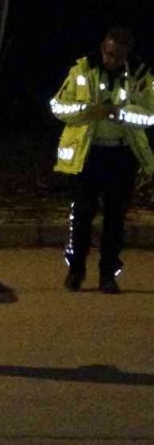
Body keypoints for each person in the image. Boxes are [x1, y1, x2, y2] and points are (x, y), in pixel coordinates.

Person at [50, 27, 154, 294]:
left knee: (115, 220)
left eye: (117, 56)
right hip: (88, 155)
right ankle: (76, 271)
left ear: (127, 54)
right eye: (107, 53)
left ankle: (108, 274)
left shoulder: (141, 77)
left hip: (121, 155)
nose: (110, 59)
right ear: (102, 47)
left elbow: (150, 116)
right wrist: (88, 111)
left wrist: (121, 115)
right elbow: (58, 107)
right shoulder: (82, 71)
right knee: (82, 215)